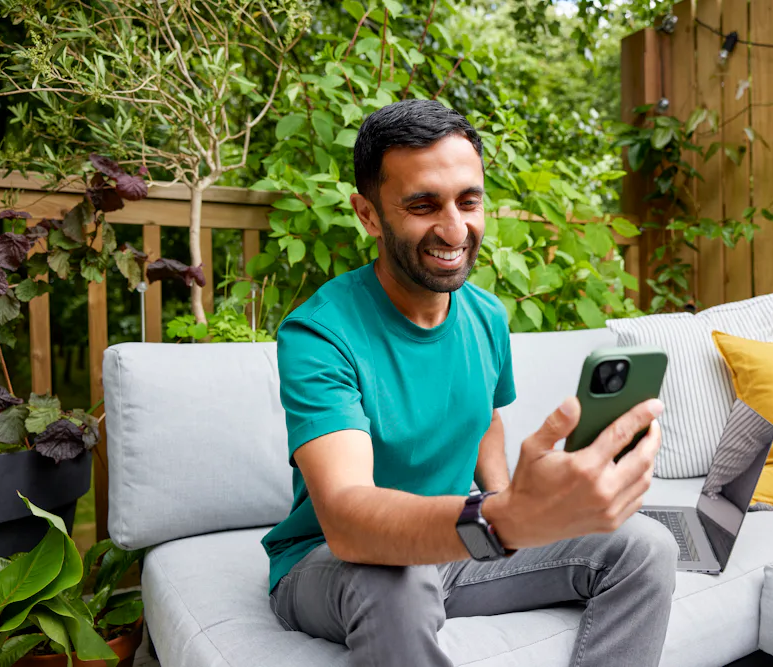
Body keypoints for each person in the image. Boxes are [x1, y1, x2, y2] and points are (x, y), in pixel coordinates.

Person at [261, 98, 678, 667]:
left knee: (647, 547)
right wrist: (499, 520)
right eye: (423, 204)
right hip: (333, 562)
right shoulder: (319, 333)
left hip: (460, 541)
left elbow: (487, 417)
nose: (454, 228)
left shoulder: (485, 315)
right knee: (398, 582)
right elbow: (348, 519)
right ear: (367, 214)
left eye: (469, 200)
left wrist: (507, 497)